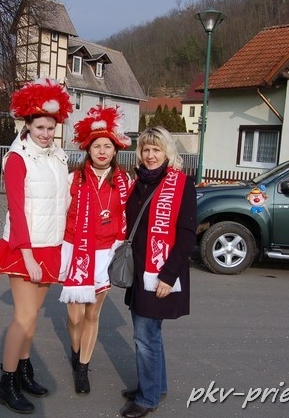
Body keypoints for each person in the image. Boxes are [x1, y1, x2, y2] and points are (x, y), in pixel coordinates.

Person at [0, 78, 73, 414]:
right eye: (40, 127)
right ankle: (6, 383)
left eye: (51, 128)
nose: (46, 134)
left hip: (51, 244)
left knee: (32, 317)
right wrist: (28, 256)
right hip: (25, 247)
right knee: (24, 315)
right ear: (28, 125)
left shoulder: (59, 157)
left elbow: (64, 201)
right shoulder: (18, 158)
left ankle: (23, 370)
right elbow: (17, 211)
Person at [119, 126, 197, 418]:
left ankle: (147, 398)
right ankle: (155, 385)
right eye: (146, 150)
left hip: (160, 272)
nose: (150, 155)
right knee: (151, 333)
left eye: (157, 150)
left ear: (168, 153)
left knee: (145, 335)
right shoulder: (138, 183)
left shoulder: (181, 184)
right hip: (139, 271)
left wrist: (168, 275)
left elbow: (187, 235)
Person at [58, 105, 132, 394]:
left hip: (105, 254)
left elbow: (131, 216)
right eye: (97, 146)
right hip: (76, 251)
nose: (102, 151)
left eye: (107, 146)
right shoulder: (73, 179)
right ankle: (76, 350)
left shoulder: (125, 182)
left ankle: (83, 367)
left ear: (115, 150)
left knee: (92, 315)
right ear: (88, 150)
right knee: (74, 317)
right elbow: (58, 214)